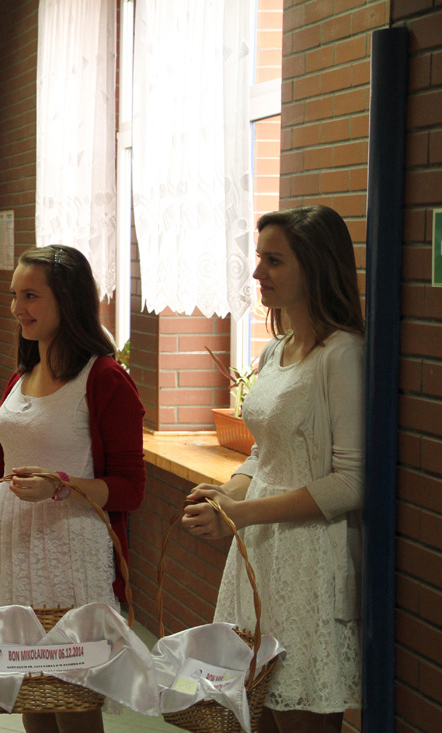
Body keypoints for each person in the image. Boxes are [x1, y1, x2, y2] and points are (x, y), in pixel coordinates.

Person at [183, 204, 364, 732]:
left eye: (274, 261)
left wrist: (242, 513)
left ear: (317, 267)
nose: (258, 272)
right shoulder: (276, 350)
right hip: (260, 549)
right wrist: (229, 491)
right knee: (252, 710)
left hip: (311, 558)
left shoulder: (342, 355)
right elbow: (265, 450)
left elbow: (352, 482)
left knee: (301, 714)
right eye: (259, 258)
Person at [0, 245, 146, 733]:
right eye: (14, 295)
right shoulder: (21, 376)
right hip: (13, 553)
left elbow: (130, 488)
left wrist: (60, 487)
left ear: (68, 300)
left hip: (70, 558)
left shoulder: (105, 379)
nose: (17, 308)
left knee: (73, 696)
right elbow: (6, 480)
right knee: (33, 696)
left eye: (31, 296)